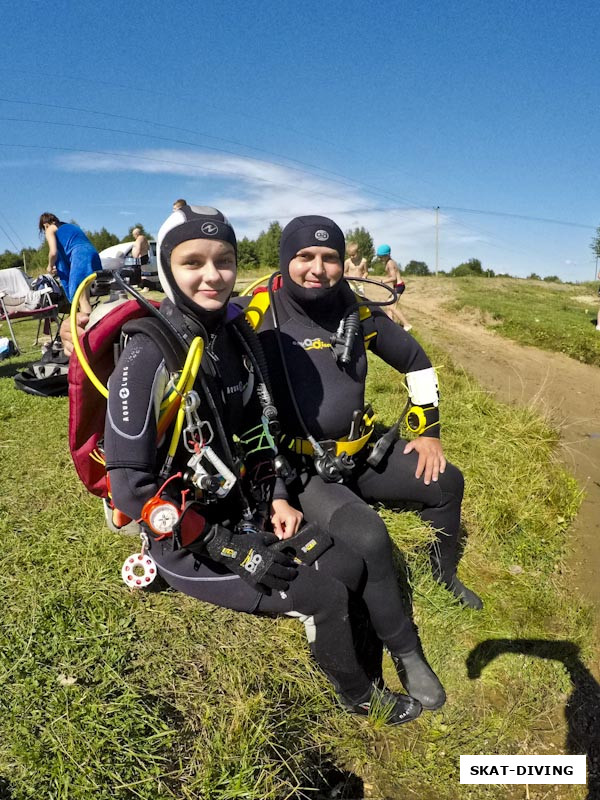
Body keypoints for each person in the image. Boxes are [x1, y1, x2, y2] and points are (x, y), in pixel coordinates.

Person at [101, 204, 430, 724]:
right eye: (193, 262)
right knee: (321, 593)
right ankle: (360, 696)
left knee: (345, 563)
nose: (212, 275)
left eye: (224, 260)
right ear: (167, 267)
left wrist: (276, 493)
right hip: (184, 540)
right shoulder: (147, 353)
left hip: (241, 509)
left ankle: (384, 653)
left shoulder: (235, 337)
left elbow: (257, 428)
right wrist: (225, 546)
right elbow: (129, 490)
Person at [242, 215, 482, 617]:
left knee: (447, 484)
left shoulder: (358, 311)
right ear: (285, 259)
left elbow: (415, 361)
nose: (318, 269)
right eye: (304, 256)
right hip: (304, 468)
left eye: (329, 257)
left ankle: (441, 576)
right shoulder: (260, 314)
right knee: (372, 537)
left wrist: (429, 430)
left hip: (361, 452)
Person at [38, 213, 100, 315]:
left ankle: (89, 328)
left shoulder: (50, 229)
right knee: (85, 297)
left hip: (80, 257)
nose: (45, 231)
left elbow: (53, 252)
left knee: (80, 298)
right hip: (93, 255)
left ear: (46, 224)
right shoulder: (70, 226)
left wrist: (50, 266)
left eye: (44, 228)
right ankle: (90, 324)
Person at [374, 244, 411, 331]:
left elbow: (394, 277)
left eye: (382, 257)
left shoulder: (390, 263)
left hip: (399, 286)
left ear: (387, 255)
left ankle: (407, 325)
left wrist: (383, 281)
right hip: (396, 286)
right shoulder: (388, 262)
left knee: (392, 307)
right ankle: (390, 324)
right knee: (388, 304)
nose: (380, 259)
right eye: (379, 257)